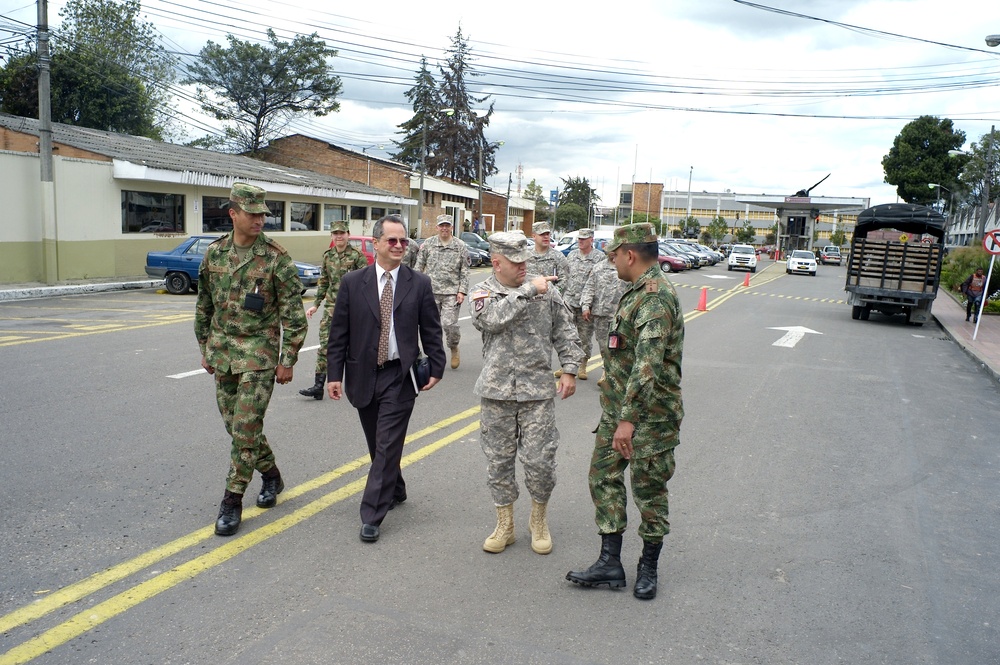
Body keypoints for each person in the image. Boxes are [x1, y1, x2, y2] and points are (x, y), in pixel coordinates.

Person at [565, 223, 684, 600]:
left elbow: (646, 366)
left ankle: (648, 568)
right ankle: (609, 562)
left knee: (649, 492)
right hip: (619, 411)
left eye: (614, 255)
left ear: (629, 255)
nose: (612, 261)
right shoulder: (633, 291)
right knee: (603, 476)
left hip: (650, 418)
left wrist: (628, 422)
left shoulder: (653, 297)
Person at [195, 183, 308, 537]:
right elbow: (204, 305)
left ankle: (232, 500)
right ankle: (271, 474)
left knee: (244, 429)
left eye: (263, 213)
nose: (260, 219)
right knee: (237, 426)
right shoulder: (214, 254)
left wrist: (287, 358)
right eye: (253, 213)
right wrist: (205, 347)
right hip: (223, 354)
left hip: (259, 355)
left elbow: (294, 314)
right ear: (233, 214)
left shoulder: (276, 257)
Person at [326, 214, 447, 543]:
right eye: (392, 240)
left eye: (403, 241)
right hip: (363, 375)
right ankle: (395, 488)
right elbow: (339, 333)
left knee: (387, 442)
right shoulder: (353, 282)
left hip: (400, 374)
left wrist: (437, 365)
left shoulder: (418, 283)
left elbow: (431, 329)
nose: (398, 246)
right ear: (376, 243)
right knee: (377, 444)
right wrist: (333, 374)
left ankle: (372, 513)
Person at [470, 231, 583, 555]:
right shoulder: (483, 292)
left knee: (541, 461)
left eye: (525, 262)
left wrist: (571, 369)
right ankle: (505, 525)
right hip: (497, 393)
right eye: (515, 263)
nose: (523, 268)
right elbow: (490, 320)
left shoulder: (546, 291)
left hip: (537, 392)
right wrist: (527, 290)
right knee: (499, 462)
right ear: (496, 262)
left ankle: (539, 519)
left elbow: (565, 329)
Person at [298, 222, 368, 399]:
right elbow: (324, 282)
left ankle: (360, 383)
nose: (339, 236)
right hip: (331, 308)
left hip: (352, 309)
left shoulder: (358, 256)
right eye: (335, 233)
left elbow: (365, 284)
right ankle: (318, 385)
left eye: (342, 233)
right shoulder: (328, 256)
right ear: (331, 236)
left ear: (348, 234)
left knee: (356, 347)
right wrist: (316, 304)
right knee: (325, 346)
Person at [416, 214, 470, 369]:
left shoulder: (460, 246)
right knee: (430, 327)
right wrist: (416, 288)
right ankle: (434, 356)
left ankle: (453, 347)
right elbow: (419, 267)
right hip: (430, 292)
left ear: (451, 227)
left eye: (447, 225)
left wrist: (462, 291)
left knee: (449, 324)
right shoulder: (428, 244)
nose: (444, 228)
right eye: (442, 225)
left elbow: (465, 271)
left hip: (451, 293)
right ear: (437, 227)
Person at [557, 228, 605, 381]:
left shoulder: (599, 258)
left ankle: (583, 364)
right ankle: (567, 364)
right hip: (570, 301)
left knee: (584, 337)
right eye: (579, 239)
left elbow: (599, 282)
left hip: (587, 305)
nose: (580, 241)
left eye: (584, 239)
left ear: (592, 240)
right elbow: (565, 276)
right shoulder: (571, 256)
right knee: (567, 335)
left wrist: (589, 304)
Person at [580, 255, 629, 370]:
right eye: (610, 252)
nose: (613, 254)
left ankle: (612, 373)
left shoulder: (625, 268)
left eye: (615, 252)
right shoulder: (598, 268)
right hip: (600, 314)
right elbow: (589, 288)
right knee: (603, 345)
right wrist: (585, 306)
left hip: (619, 316)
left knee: (617, 346)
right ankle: (607, 371)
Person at [525, 221, 569, 293]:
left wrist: (551, 293)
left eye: (547, 234)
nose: (546, 237)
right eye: (542, 234)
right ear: (534, 236)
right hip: (528, 298)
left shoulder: (558, 256)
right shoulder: (526, 255)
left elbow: (565, 280)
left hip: (550, 300)